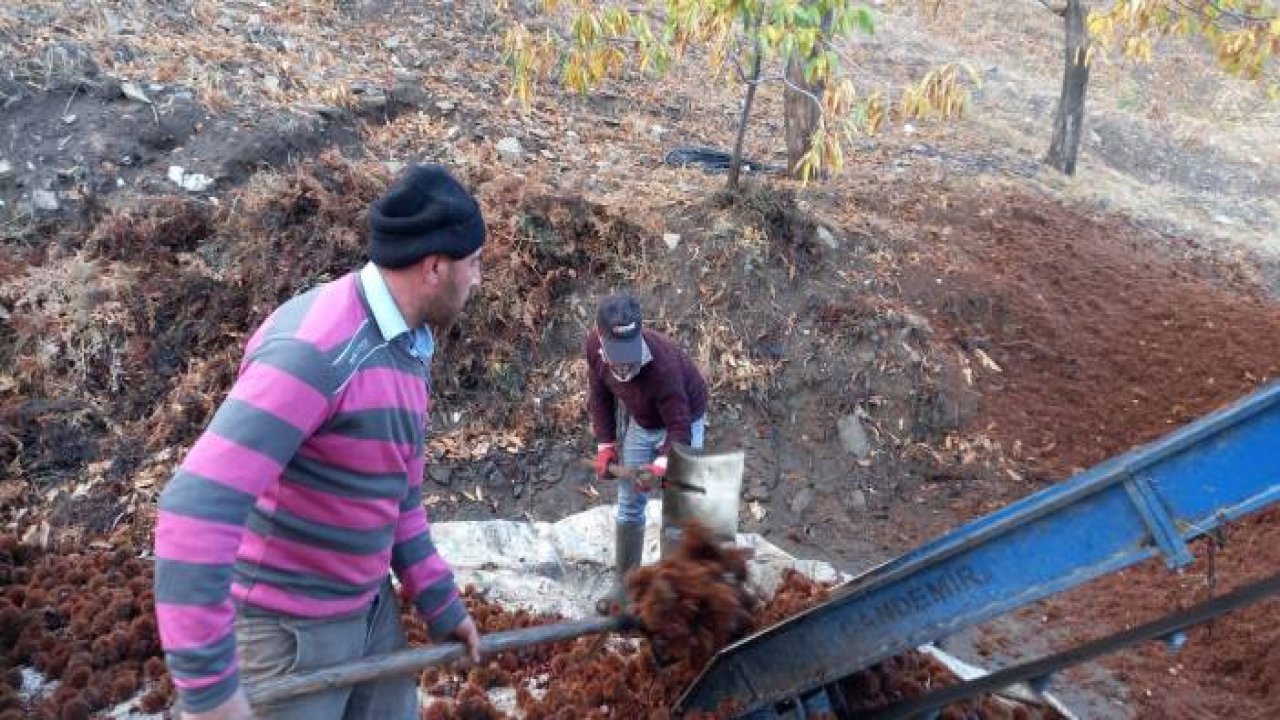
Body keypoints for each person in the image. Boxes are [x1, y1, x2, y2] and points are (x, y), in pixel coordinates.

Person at [153, 164, 486, 720]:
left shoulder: (408, 345)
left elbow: (397, 491)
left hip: (367, 609)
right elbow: (194, 510)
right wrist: (209, 693)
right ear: (434, 267)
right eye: (473, 264)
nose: (478, 279)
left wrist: (439, 601)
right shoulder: (317, 351)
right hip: (287, 631)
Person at [585, 293, 709, 612]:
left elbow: (679, 426)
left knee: (676, 511)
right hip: (643, 423)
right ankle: (626, 591)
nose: (624, 364)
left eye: (629, 353)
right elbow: (600, 397)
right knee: (629, 504)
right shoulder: (594, 351)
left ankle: (667, 599)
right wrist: (606, 445)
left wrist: (664, 462)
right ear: (601, 338)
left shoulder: (662, 365)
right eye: (617, 354)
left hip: (685, 420)